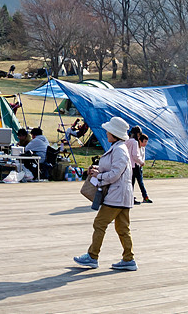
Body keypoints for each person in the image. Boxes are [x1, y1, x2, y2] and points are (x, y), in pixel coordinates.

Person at [73, 116, 137, 272]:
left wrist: (99, 175)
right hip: (122, 195)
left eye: (108, 131)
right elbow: (114, 170)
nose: (106, 133)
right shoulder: (119, 148)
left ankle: (92, 256)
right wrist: (98, 170)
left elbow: (115, 174)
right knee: (123, 228)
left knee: (99, 224)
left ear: (114, 134)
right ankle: (128, 259)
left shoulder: (119, 149)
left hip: (116, 195)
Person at [126, 127, 151, 204]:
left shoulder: (127, 141)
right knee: (140, 182)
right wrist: (141, 162)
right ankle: (145, 197)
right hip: (135, 165)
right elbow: (135, 155)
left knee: (131, 183)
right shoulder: (135, 142)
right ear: (137, 134)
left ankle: (130, 198)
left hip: (129, 165)